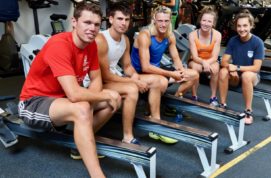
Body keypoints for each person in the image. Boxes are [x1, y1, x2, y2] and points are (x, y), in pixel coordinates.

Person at [18, 3, 121, 178]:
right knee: (82, 107)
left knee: (115, 99)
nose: (92, 29)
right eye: (87, 22)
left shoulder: (91, 46)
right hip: (34, 103)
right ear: (74, 22)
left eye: (96, 25)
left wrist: (96, 98)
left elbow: (96, 80)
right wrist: (99, 96)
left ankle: (78, 145)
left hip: (63, 100)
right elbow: (74, 94)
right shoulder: (59, 45)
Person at [90, 2, 167, 144]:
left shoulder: (125, 39)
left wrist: (135, 76)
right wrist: (134, 81)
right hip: (99, 81)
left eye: (126, 19)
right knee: (132, 89)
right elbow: (105, 76)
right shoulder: (101, 40)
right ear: (111, 19)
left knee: (157, 80)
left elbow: (127, 66)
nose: (123, 23)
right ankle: (127, 136)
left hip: (115, 77)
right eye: (120, 19)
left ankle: (156, 123)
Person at [131, 5, 197, 141]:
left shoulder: (170, 35)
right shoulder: (145, 35)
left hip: (157, 72)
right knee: (160, 81)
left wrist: (180, 72)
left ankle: (172, 102)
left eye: (166, 21)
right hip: (139, 73)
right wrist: (171, 75)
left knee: (193, 74)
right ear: (154, 19)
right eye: (160, 21)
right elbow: (145, 67)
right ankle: (155, 125)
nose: (163, 24)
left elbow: (176, 59)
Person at [218, 9, 264, 125]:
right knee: (223, 71)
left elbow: (256, 68)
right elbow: (224, 62)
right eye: (239, 26)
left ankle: (248, 111)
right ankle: (222, 105)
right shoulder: (233, 41)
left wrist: (237, 68)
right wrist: (230, 68)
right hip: (236, 76)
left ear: (251, 26)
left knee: (247, 76)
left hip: (252, 76)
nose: (242, 29)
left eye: (245, 26)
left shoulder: (258, 43)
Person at [188, 6, 221, 106]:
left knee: (215, 69)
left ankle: (213, 97)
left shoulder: (217, 35)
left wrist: (207, 63)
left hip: (211, 60)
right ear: (200, 20)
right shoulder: (192, 35)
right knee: (195, 68)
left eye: (209, 21)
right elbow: (194, 56)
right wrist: (203, 63)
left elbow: (215, 57)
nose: (206, 23)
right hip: (196, 60)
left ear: (213, 23)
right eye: (204, 20)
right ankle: (194, 96)